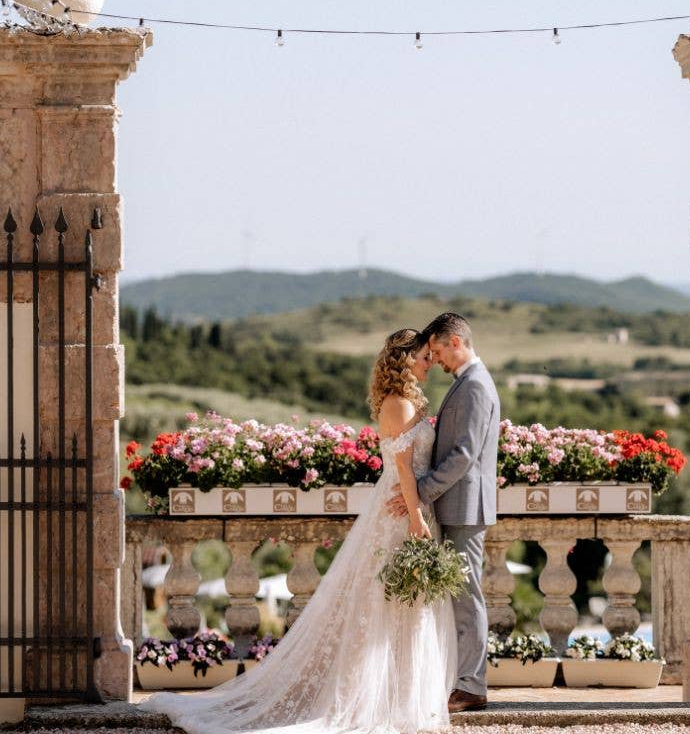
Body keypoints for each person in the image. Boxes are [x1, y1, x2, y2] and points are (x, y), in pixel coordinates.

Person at [141, 328, 457, 734]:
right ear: (405, 358)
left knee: (407, 606)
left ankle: (404, 697)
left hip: (412, 507)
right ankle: (378, 700)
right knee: (389, 602)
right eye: (424, 356)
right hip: (400, 510)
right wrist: (414, 518)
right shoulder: (397, 404)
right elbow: (401, 469)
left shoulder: (410, 401)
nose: (430, 361)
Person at [385, 312, 500, 713]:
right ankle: (459, 679)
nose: (435, 360)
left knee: (467, 597)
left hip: (464, 507)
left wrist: (421, 494)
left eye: (436, 351)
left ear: (455, 342)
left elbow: (464, 455)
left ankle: (472, 685)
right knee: (457, 596)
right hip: (455, 505)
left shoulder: (474, 386)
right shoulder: (467, 383)